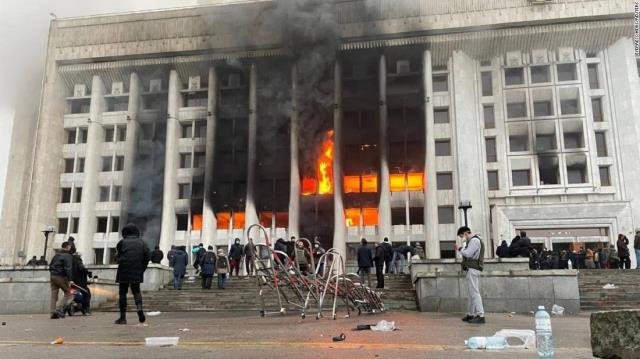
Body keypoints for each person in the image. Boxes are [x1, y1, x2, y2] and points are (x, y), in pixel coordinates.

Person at [114, 223, 151, 325]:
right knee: (136, 291)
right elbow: (148, 257)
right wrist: (142, 269)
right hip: (137, 270)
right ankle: (139, 308)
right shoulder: (142, 243)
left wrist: (119, 259)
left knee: (122, 293)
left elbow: (117, 257)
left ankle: (122, 317)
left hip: (124, 270)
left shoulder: (121, 242)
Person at [455, 226, 485, 324]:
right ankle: (471, 314)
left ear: (465, 233)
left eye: (462, 236)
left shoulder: (474, 241)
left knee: (474, 292)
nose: (462, 238)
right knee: (472, 293)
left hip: (473, 268)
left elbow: (468, 254)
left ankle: (481, 315)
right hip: (471, 268)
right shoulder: (472, 241)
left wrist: (459, 248)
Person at [49, 241, 74, 319]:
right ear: (68, 247)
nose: (71, 248)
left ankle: (53, 312)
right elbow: (68, 268)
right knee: (68, 293)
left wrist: (52, 273)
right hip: (60, 276)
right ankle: (58, 309)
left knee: (54, 294)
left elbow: (50, 265)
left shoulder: (56, 255)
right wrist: (70, 279)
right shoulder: (68, 256)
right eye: (70, 246)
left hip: (52, 276)